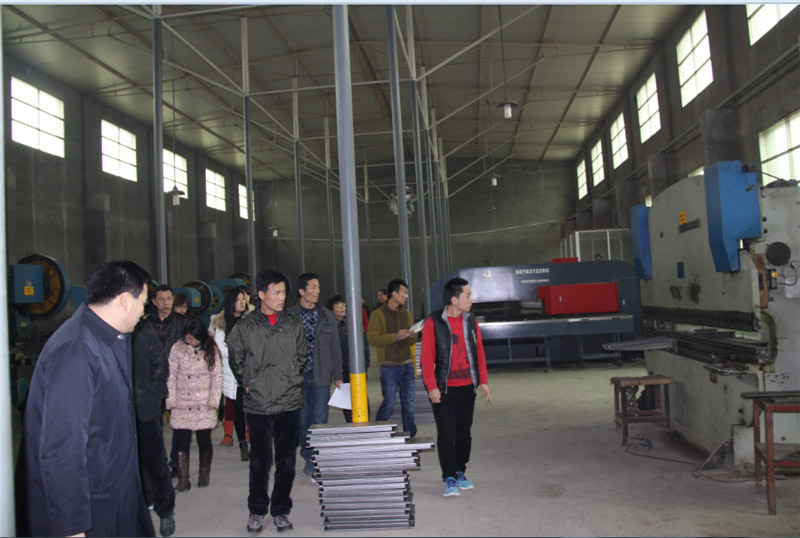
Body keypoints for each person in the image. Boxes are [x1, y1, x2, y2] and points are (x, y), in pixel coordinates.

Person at [22, 260, 154, 537]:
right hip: (92, 511)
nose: (144, 312)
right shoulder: (76, 350)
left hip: (115, 496)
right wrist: (72, 528)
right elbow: (62, 449)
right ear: (124, 300)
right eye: (143, 303)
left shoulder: (107, 340)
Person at [228, 270, 308, 534]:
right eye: (277, 292)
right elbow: (236, 360)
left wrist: (291, 379)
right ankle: (257, 509)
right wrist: (251, 383)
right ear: (261, 294)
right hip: (258, 405)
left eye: (284, 292)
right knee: (259, 462)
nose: (282, 297)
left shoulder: (293, 325)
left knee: (286, 461)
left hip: (288, 403)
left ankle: (281, 510)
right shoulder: (245, 327)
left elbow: (301, 356)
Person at [420, 277, 491, 497]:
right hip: (444, 389)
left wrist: (483, 381)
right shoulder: (433, 322)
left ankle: (460, 471)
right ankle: (449, 476)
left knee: (464, 433)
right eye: (467, 295)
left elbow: (479, 352)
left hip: (467, 386)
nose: (471, 299)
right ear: (454, 299)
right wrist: (432, 387)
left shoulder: (471, 321)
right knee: (446, 433)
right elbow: (426, 358)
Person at [287, 273, 343, 476]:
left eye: (318, 287)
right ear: (302, 291)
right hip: (298, 378)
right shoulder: (289, 316)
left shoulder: (326, 316)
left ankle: (316, 459)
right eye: (312, 287)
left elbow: (335, 347)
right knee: (303, 420)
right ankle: (308, 455)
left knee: (320, 419)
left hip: (321, 377)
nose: (317, 291)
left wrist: (338, 374)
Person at [132, 310, 177, 535]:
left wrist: (155, 392)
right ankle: (140, 503)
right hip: (118, 411)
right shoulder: (108, 333)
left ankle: (165, 510)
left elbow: (159, 361)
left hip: (145, 408)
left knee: (155, 461)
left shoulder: (143, 330)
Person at [166, 318, 222, 491]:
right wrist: (171, 399)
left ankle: (203, 475)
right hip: (182, 403)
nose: (190, 341)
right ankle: (183, 479)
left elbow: (216, 376)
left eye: (194, 339)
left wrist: (214, 400)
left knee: (204, 440)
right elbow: (171, 375)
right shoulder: (176, 349)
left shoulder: (211, 349)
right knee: (181, 441)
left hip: (204, 403)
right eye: (188, 338)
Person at [139, 285, 187, 479]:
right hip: (152, 380)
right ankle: (158, 461)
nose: (166, 303)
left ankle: (176, 464)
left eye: (169, 298)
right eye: (161, 299)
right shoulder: (144, 324)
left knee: (178, 424)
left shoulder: (183, 324)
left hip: (176, 380)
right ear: (154, 302)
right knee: (153, 424)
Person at [368, 279, 419, 437]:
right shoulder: (377, 315)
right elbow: (373, 339)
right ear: (394, 294)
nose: (406, 296)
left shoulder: (407, 314)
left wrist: (413, 336)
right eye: (404, 292)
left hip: (407, 364)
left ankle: (410, 435)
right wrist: (395, 336)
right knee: (389, 404)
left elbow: (411, 341)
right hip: (389, 366)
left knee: (409, 404)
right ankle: (377, 431)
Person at [210, 287, 250, 461]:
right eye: (238, 299)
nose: (242, 303)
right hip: (230, 373)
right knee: (238, 410)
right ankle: (242, 444)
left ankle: (252, 441)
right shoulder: (220, 323)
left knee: (252, 410)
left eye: (243, 299)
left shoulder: (250, 321)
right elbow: (217, 349)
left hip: (248, 371)